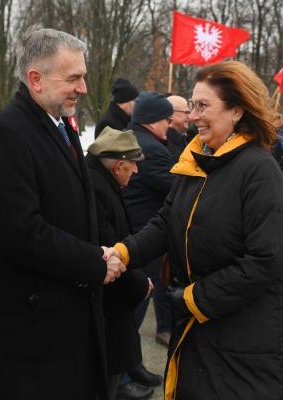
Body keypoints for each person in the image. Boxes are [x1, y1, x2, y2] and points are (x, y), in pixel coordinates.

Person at [106, 61, 283, 399]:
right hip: (202, 324)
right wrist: (124, 252)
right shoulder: (198, 160)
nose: (191, 116)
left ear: (237, 110)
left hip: (245, 338)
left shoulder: (259, 171)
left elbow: (265, 260)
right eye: (192, 105)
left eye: (202, 105)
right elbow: (167, 221)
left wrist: (194, 299)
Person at [0, 27, 125, 400]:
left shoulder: (57, 125)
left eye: (83, 76)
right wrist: (93, 261)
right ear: (35, 79)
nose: (83, 88)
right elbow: (20, 233)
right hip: (32, 330)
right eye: (74, 78)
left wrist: (102, 250)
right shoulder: (3, 135)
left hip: (63, 312)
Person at [86, 127, 154, 400]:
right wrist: (140, 284)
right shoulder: (98, 190)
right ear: (118, 166)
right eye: (133, 165)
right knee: (106, 377)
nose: (136, 172)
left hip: (109, 294)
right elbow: (110, 248)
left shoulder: (100, 181)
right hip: (108, 296)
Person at [121, 91, 173, 382]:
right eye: (166, 119)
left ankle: (133, 367)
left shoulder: (129, 137)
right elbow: (177, 189)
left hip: (130, 234)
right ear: (153, 121)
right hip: (143, 239)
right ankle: (124, 377)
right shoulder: (151, 149)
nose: (169, 124)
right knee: (135, 308)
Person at [165, 95, 190, 162]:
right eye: (186, 112)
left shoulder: (182, 138)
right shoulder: (164, 142)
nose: (189, 116)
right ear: (171, 113)